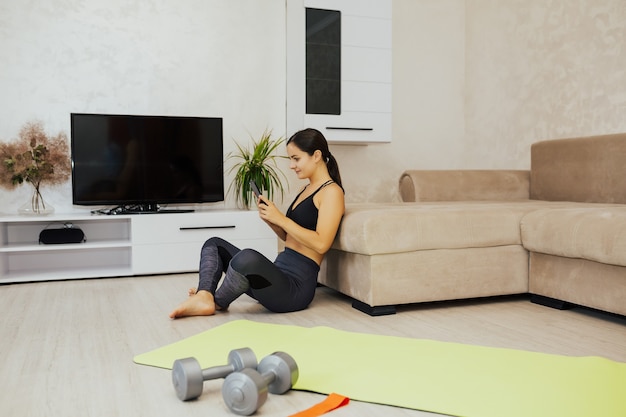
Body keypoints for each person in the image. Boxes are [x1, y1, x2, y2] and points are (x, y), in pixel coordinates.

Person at [169, 128, 345, 318]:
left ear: (316, 155)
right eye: (290, 160)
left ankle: (216, 300)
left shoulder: (332, 192)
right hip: (276, 277)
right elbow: (289, 238)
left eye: (296, 158)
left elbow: (321, 243)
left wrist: (281, 219)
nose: (292, 165)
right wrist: (272, 220)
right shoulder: (306, 189)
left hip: (294, 290)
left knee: (247, 258)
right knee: (213, 244)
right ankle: (204, 295)